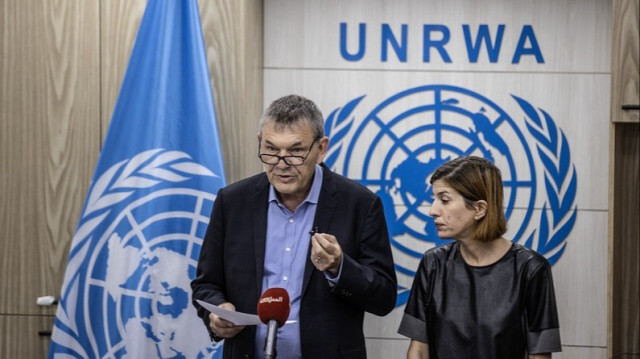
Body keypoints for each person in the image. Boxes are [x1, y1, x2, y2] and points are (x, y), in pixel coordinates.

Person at [191, 94, 397, 359]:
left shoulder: (359, 204)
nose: (281, 162)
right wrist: (217, 311)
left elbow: (384, 298)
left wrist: (339, 267)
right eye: (271, 149)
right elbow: (206, 283)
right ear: (259, 143)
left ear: (321, 149)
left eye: (296, 151)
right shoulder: (232, 202)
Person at [398, 156, 561, 359]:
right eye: (434, 199)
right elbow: (419, 351)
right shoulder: (433, 263)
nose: (433, 210)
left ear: (479, 209)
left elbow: (539, 356)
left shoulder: (531, 269)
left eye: (444, 200)